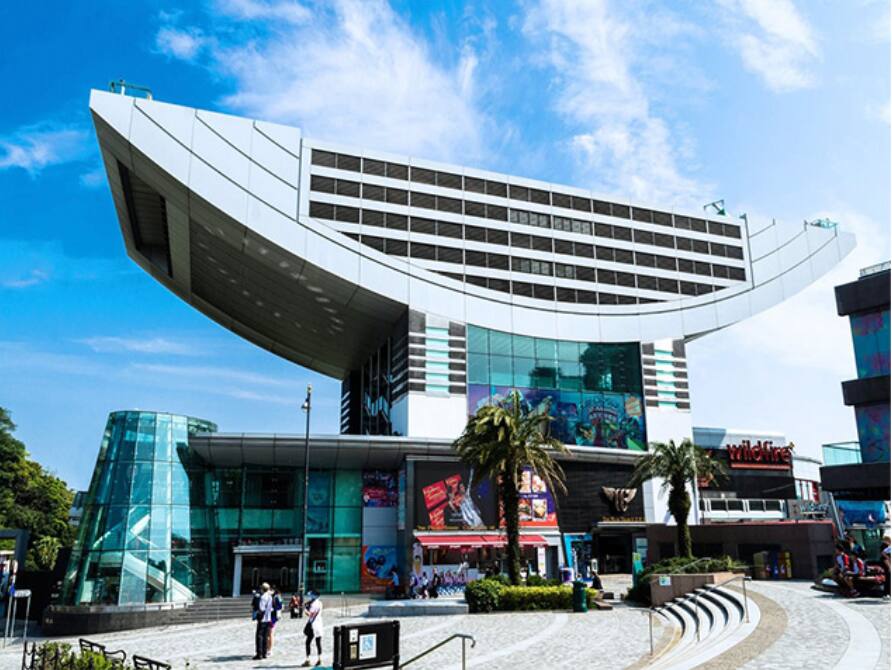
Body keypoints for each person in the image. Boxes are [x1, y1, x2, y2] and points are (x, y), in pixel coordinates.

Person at [302, 591, 324, 667]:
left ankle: (308, 660)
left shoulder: (313, 604)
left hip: (313, 624)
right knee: (318, 642)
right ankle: (320, 659)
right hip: (319, 623)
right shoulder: (320, 603)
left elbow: (310, 615)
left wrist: (305, 610)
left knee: (308, 642)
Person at [253, 582, 274, 660]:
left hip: (262, 619)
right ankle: (264, 652)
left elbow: (261, 608)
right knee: (265, 636)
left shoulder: (263, 597)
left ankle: (259, 653)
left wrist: (258, 613)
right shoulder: (270, 597)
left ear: (262, 589)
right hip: (268, 618)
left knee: (259, 636)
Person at [267, 586, 283, 652]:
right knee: (267, 634)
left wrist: (273, 609)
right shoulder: (268, 597)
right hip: (267, 616)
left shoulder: (276, 597)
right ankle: (267, 648)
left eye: (270, 590)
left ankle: (270, 650)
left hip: (272, 617)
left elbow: (280, 606)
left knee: (270, 633)